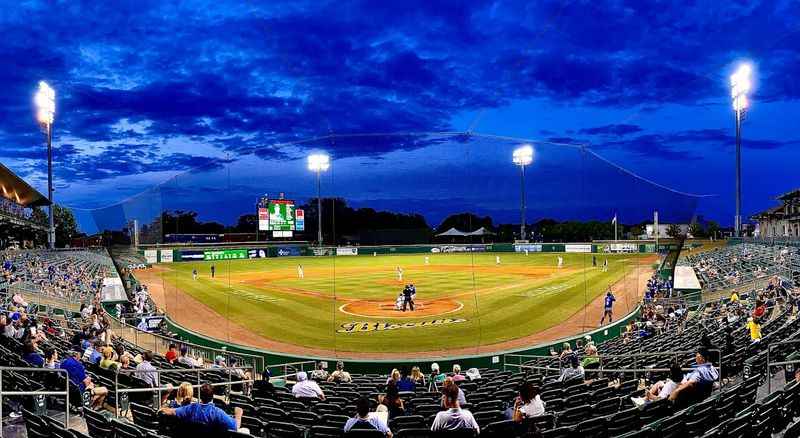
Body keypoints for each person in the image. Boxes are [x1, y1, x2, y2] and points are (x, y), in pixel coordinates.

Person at [160, 383, 242, 432]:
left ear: (200, 396)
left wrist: (162, 409)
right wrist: (238, 414)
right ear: (212, 396)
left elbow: (172, 411)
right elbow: (235, 427)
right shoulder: (217, 412)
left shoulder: (190, 408)